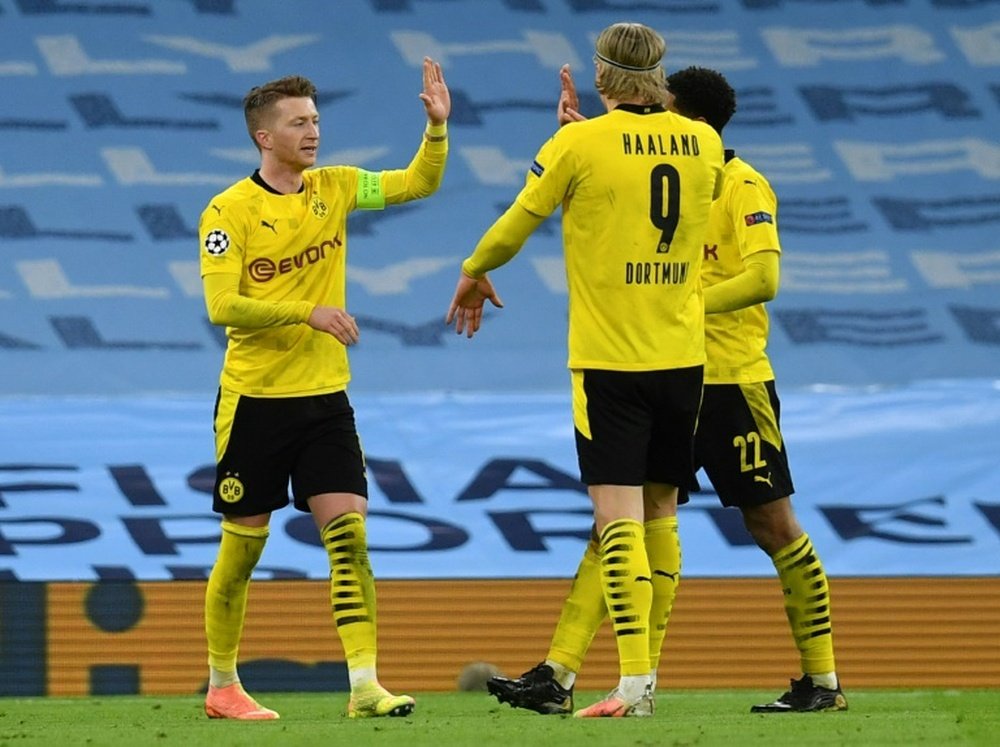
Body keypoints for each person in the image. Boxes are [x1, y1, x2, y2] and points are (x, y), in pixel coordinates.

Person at [487, 65, 848, 716]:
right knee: (630, 520)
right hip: (660, 368)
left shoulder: (741, 184)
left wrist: (684, 301)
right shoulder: (663, 173)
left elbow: (764, 278)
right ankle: (569, 675)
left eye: (663, 106)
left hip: (732, 379)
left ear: (690, 121)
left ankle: (821, 679)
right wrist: (581, 140)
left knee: (773, 523)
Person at [446, 23, 724, 718]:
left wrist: (473, 270)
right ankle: (638, 679)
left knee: (617, 517)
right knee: (661, 512)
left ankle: (630, 688)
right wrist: (587, 149)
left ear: (601, 78)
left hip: (610, 361)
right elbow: (652, 200)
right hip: (684, 357)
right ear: (659, 76)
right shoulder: (706, 143)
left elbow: (516, 223)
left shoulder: (578, 144)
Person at [197, 57, 450, 721]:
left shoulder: (334, 188)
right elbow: (224, 305)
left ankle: (365, 685)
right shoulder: (229, 210)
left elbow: (418, 183)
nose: (313, 132)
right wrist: (306, 311)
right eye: (298, 122)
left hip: (325, 400)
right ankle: (223, 684)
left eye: (315, 119)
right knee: (243, 548)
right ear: (264, 136)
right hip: (254, 400)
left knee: (350, 538)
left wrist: (437, 129)